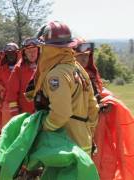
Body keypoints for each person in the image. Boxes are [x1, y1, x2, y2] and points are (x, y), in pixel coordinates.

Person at [30, 21, 99, 154]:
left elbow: (61, 113)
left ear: (48, 48)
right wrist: (87, 132)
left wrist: (43, 127)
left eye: (42, 46)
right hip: (83, 143)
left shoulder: (56, 75)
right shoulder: (77, 67)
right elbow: (93, 107)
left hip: (64, 147)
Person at [73, 38, 134, 179]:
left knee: (106, 159)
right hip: (81, 129)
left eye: (86, 56)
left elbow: (99, 91)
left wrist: (108, 101)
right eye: (80, 56)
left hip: (99, 127)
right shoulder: (71, 75)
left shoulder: (92, 74)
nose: (84, 59)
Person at [12, 38, 39, 114]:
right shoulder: (18, 68)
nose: (32, 54)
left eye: (34, 51)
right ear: (24, 53)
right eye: (29, 51)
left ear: (39, 51)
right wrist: (15, 114)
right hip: (26, 113)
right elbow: (12, 93)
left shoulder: (45, 66)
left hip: (43, 112)